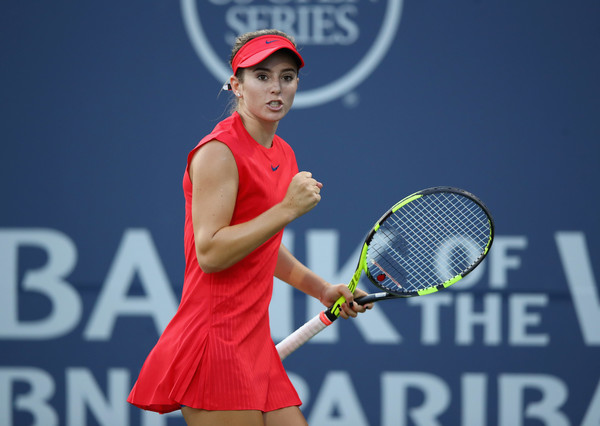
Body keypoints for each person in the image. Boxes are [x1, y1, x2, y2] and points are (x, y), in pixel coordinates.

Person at [127, 29, 372, 426]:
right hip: (213, 342)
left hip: (253, 341)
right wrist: (287, 210)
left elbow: (261, 244)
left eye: (287, 77)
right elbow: (211, 253)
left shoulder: (283, 153)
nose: (276, 88)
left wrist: (322, 289)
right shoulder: (218, 153)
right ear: (236, 86)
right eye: (262, 76)